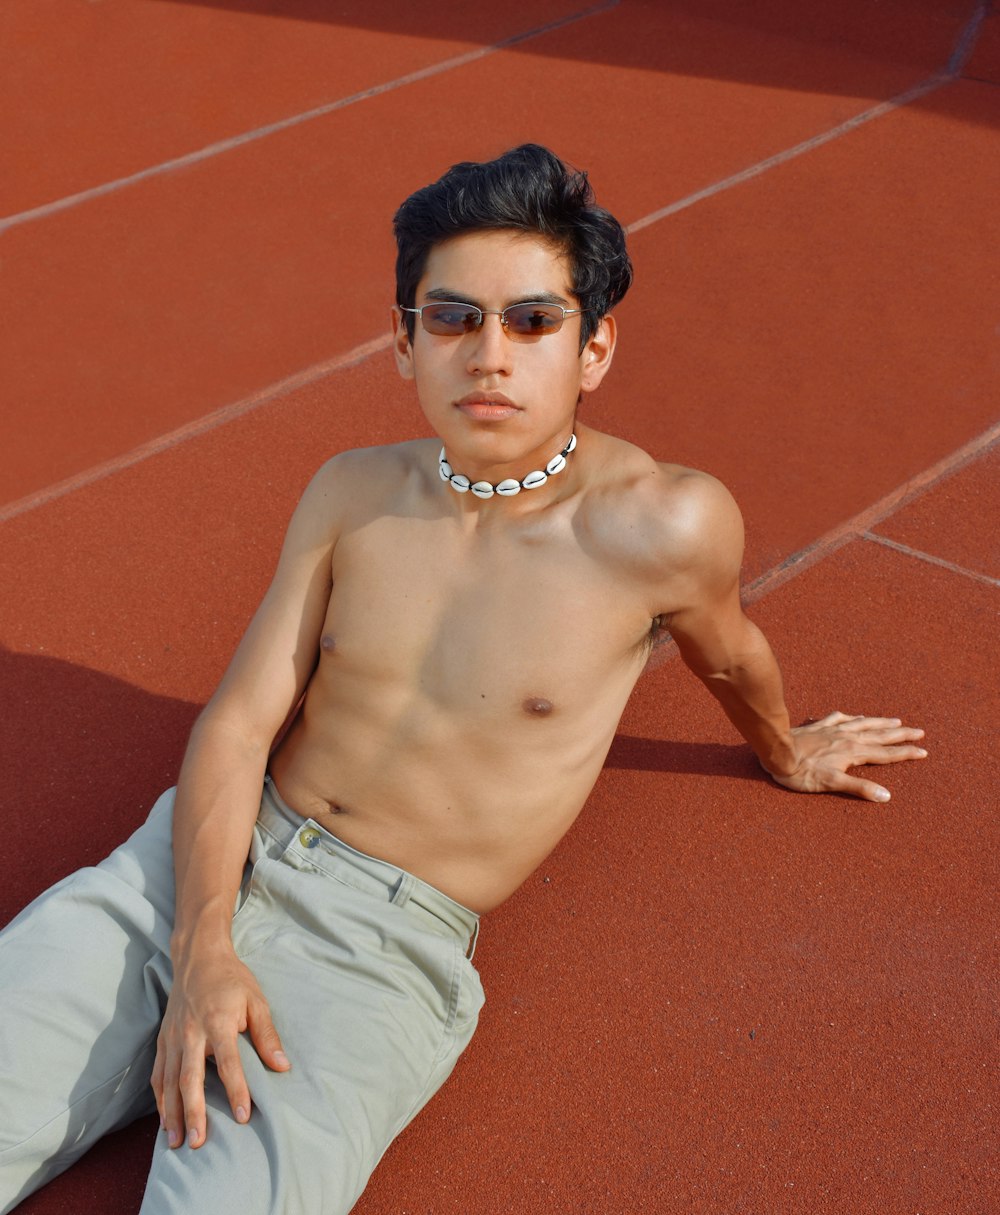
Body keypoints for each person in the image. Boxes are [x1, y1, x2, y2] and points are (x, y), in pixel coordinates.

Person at [0, 144, 926, 1215]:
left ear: (594, 348)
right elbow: (241, 721)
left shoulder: (662, 524)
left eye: (533, 321)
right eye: (453, 319)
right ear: (403, 341)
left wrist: (785, 747)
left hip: (377, 953)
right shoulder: (351, 492)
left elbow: (727, 649)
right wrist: (203, 940)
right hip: (194, 861)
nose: (490, 355)